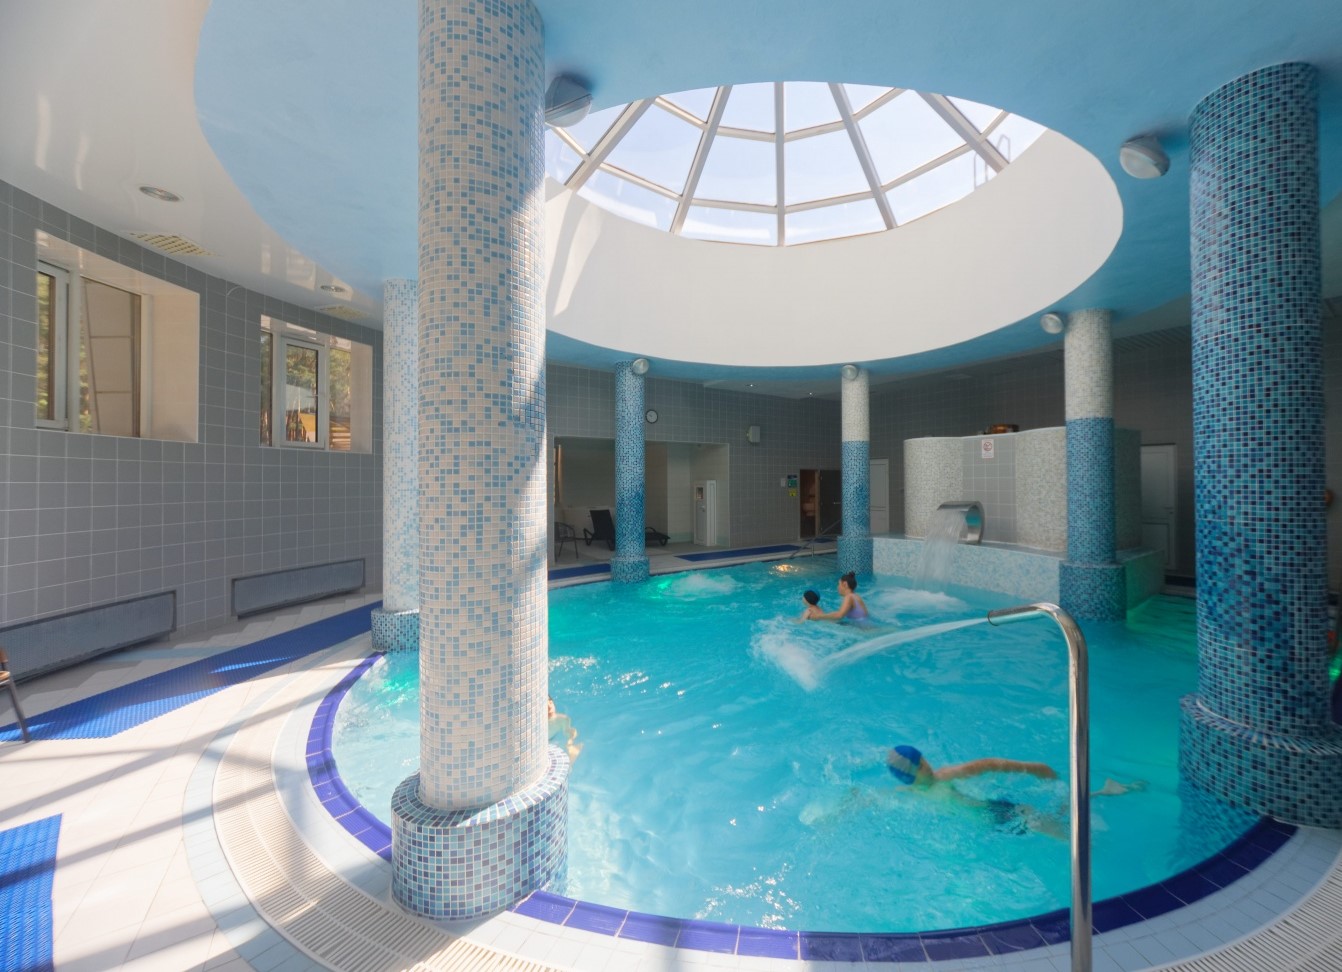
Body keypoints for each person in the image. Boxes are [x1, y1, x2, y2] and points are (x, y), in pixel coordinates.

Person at [885, 744, 1144, 837]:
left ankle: (1102, 792)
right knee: (1058, 818)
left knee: (1064, 835)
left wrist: (1031, 768)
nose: (928, 766)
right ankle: (1099, 792)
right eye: (921, 767)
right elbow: (880, 799)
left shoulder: (945, 776)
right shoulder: (911, 792)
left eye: (924, 760)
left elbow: (987, 764)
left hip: (1002, 812)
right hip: (991, 827)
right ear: (909, 778)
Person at [547, 696, 582, 762]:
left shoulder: (563, 719)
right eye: (545, 705)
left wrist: (571, 736)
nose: (550, 708)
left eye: (551, 703)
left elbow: (567, 733)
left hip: (552, 739)